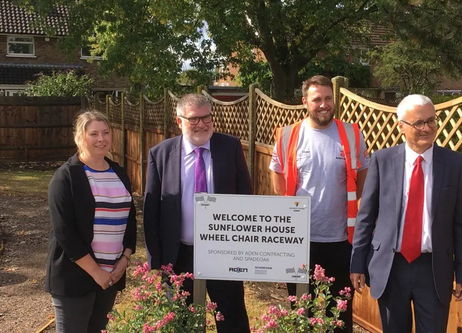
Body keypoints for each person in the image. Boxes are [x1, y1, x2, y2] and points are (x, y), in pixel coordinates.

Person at [350, 94, 462, 333]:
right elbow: (365, 216)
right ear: (401, 127)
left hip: (434, 269)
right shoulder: (382, 160)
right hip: (391, 266)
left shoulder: (455, 164)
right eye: (418, 123)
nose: (426, 128)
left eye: (431, 121)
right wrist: (357, 263)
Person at [143, 93, 252, 333]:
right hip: (179, 253)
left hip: (224, 251)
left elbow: (245, 198)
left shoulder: (230, 147)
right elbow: (152, 212)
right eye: (193, 119)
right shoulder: (160, 154)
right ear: (179, 120)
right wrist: (156, 259)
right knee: (183, 321)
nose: (201, 124)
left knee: (232, 318)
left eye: (206, 117)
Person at [269, 75, 370, 332]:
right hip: (299, 242)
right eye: (317, 99)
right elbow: (279, 187)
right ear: (305, 102)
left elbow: (362, 183)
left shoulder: (352, 134)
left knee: (340, 314)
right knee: (303, 311)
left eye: (328, 98)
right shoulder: (287, 135)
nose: (323, 104)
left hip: (341, 240)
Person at [46, 110, 137, 333]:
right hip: (76, 276)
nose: (101, 139)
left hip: (111, 276)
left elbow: (130, 219)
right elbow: (64, 232)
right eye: (93, 133)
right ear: (80, 137)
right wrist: (96, 272)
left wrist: (124, 259)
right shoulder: (66, 176)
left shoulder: (118, 172)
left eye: (106, 132)